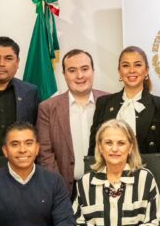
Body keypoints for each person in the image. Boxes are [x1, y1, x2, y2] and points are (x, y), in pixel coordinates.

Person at [87, 46, 160, 201]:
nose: (132, 70)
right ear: (119, 72)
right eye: (126, 65)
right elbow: (94, 149)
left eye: (137, 65)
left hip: (145, 185)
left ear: (146, 71)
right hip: (106, 185)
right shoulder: (104, 103)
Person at [0, 122, 76, 226]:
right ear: (5, 151)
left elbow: (67, 222)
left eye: (28, 143)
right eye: (15, 144)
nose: (22, 150)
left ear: (37, 148)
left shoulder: (54, 180)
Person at [73, 119, 160, 226]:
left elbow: (156, 225)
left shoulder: (145, 179)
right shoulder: (85, 182)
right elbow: (76, 224)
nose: (114, 149)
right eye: (108, 143)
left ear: (130, 147)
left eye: (121, 143)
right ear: (100, 147)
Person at [36, 49, 108, 193]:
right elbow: (45, 154)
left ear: (93, 71)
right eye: (72, 70)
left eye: (85, 69)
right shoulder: (48, 108)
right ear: (64, 74)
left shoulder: (109, 102)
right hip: (65, 190)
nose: (79, 76)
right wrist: (58, 188)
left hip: (107, 187)